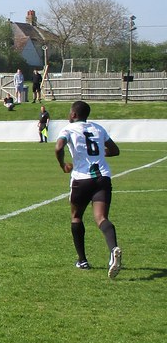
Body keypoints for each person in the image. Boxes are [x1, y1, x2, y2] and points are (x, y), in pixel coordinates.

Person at [54, 100, 122, 277]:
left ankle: (82, 260)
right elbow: (115, 150)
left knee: (76, 217)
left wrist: (62, 165)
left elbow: (59, 147)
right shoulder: (98, 128)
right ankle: (113, 248)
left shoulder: (68, 129)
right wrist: (99, 153)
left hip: (82, 179)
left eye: (70, 112)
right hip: (102, 177)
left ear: (74, 115)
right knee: (101, 218)